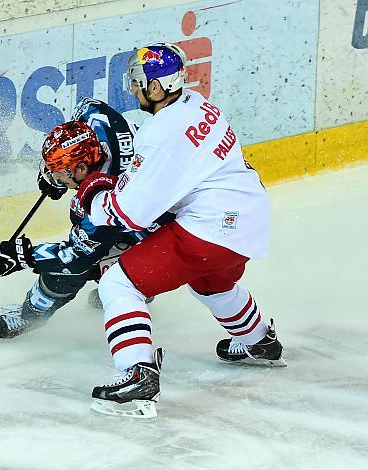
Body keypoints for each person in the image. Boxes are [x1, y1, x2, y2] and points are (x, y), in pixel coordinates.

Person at [73, 43, 287, 419]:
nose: (133, 89)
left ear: (156, 88)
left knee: (118, 283)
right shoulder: (197, 103)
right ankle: (258, 341)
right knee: (212, 283)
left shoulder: (163, 136)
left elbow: (130, 215)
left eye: (137, 83)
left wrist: (91, 192)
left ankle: (137, 374)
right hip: (248, 220)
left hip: (210, 228)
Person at [0, 98, 172, 339]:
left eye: (60, 171)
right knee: (80, 214)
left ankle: (31, 316)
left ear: (82, 168)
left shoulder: (110, 199)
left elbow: (74, 257)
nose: (55, 176)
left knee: (65, 272)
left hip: (162, 234)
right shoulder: (95, 119)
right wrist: (62, 176)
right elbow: (88, 105)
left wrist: (22, 255)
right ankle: (130, 275)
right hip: (153, 205)